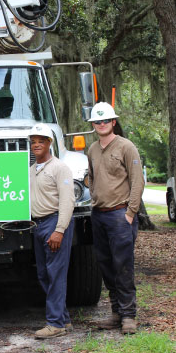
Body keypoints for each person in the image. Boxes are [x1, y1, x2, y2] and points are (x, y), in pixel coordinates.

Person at [86, 102, 144, 335]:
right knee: (106, 265)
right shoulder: (92, 149)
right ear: (93, 125)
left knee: (123, 266)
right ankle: (116, 313)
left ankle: (129, 316)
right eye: (97, 121)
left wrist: (130, 213)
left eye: (105, 121)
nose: (101, 124)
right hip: (99, 215)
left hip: (120, 215)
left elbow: (138, 181)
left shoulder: (126, 147)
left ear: (113, 122)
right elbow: (91, 178)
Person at [28, 123, 76, 339]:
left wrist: (60, 230)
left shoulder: (60, 168)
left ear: (50, 143)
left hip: (54, 223)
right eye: (33, 141)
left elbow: (68, 200)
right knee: (43, 273)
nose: (36, 144)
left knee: (56, 274)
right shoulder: (31, 170)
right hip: (37, 225)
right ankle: (63, 319)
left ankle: (54, 323)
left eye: (41, 141)